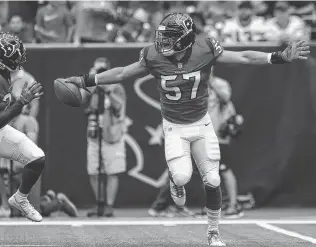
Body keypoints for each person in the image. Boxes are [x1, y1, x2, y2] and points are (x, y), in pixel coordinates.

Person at [57, 13, 310, 246]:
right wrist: (85, 80)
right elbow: (123, 73)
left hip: (202, 124)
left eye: (169, 37)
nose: (163, 41)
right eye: (162, 36)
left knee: (212, 178)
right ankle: (176, 182)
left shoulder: (205, 48)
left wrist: (277, 57)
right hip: (174, 126)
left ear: (186, 39)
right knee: (180, 178)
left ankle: (213, 232)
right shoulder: (153, 56)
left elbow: (243, 56)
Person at [0, 32, 44, 222]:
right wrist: (21, 103)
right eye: (15, 55)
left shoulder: (4, 75)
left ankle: (20, 198)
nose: (19, 59)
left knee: (36, 158)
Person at [84, 57, 127, 217]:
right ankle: (99, 203)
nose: (101, 74)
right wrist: (91, 79)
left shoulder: (117, 87)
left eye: (103, 71)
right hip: (94, 132)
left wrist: (107, 89)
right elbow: (80, 98)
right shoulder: (92, 87)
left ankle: (109, 205)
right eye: (98, 70)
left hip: (112, 132)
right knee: (93, 171)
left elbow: (119, 107)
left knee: (112, 171)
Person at [207, 69, 244, 219]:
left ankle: (234, 205)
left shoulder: (220, 83)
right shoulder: (194, 84)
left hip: (219, 135)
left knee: (224, 169)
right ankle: (215, 205)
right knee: (208, 172)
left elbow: (226, 98)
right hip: (202, 134)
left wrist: (210, 83)